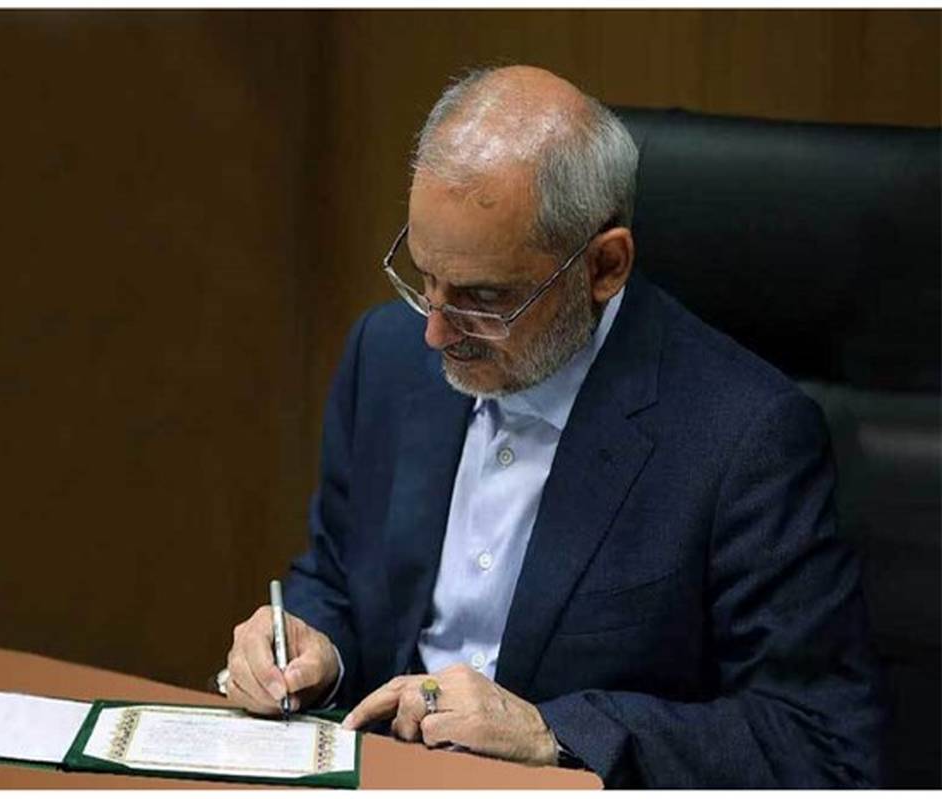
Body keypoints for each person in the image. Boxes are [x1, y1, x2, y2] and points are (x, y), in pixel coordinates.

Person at [222, 65, 885, 788]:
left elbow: (820, 742)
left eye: (482, 298)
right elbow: (338, 581)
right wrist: (311, 648)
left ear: (605, 266)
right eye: (424, 278)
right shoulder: (383, 358)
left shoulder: (746, 437)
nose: (436, 333)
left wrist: (552, 733)